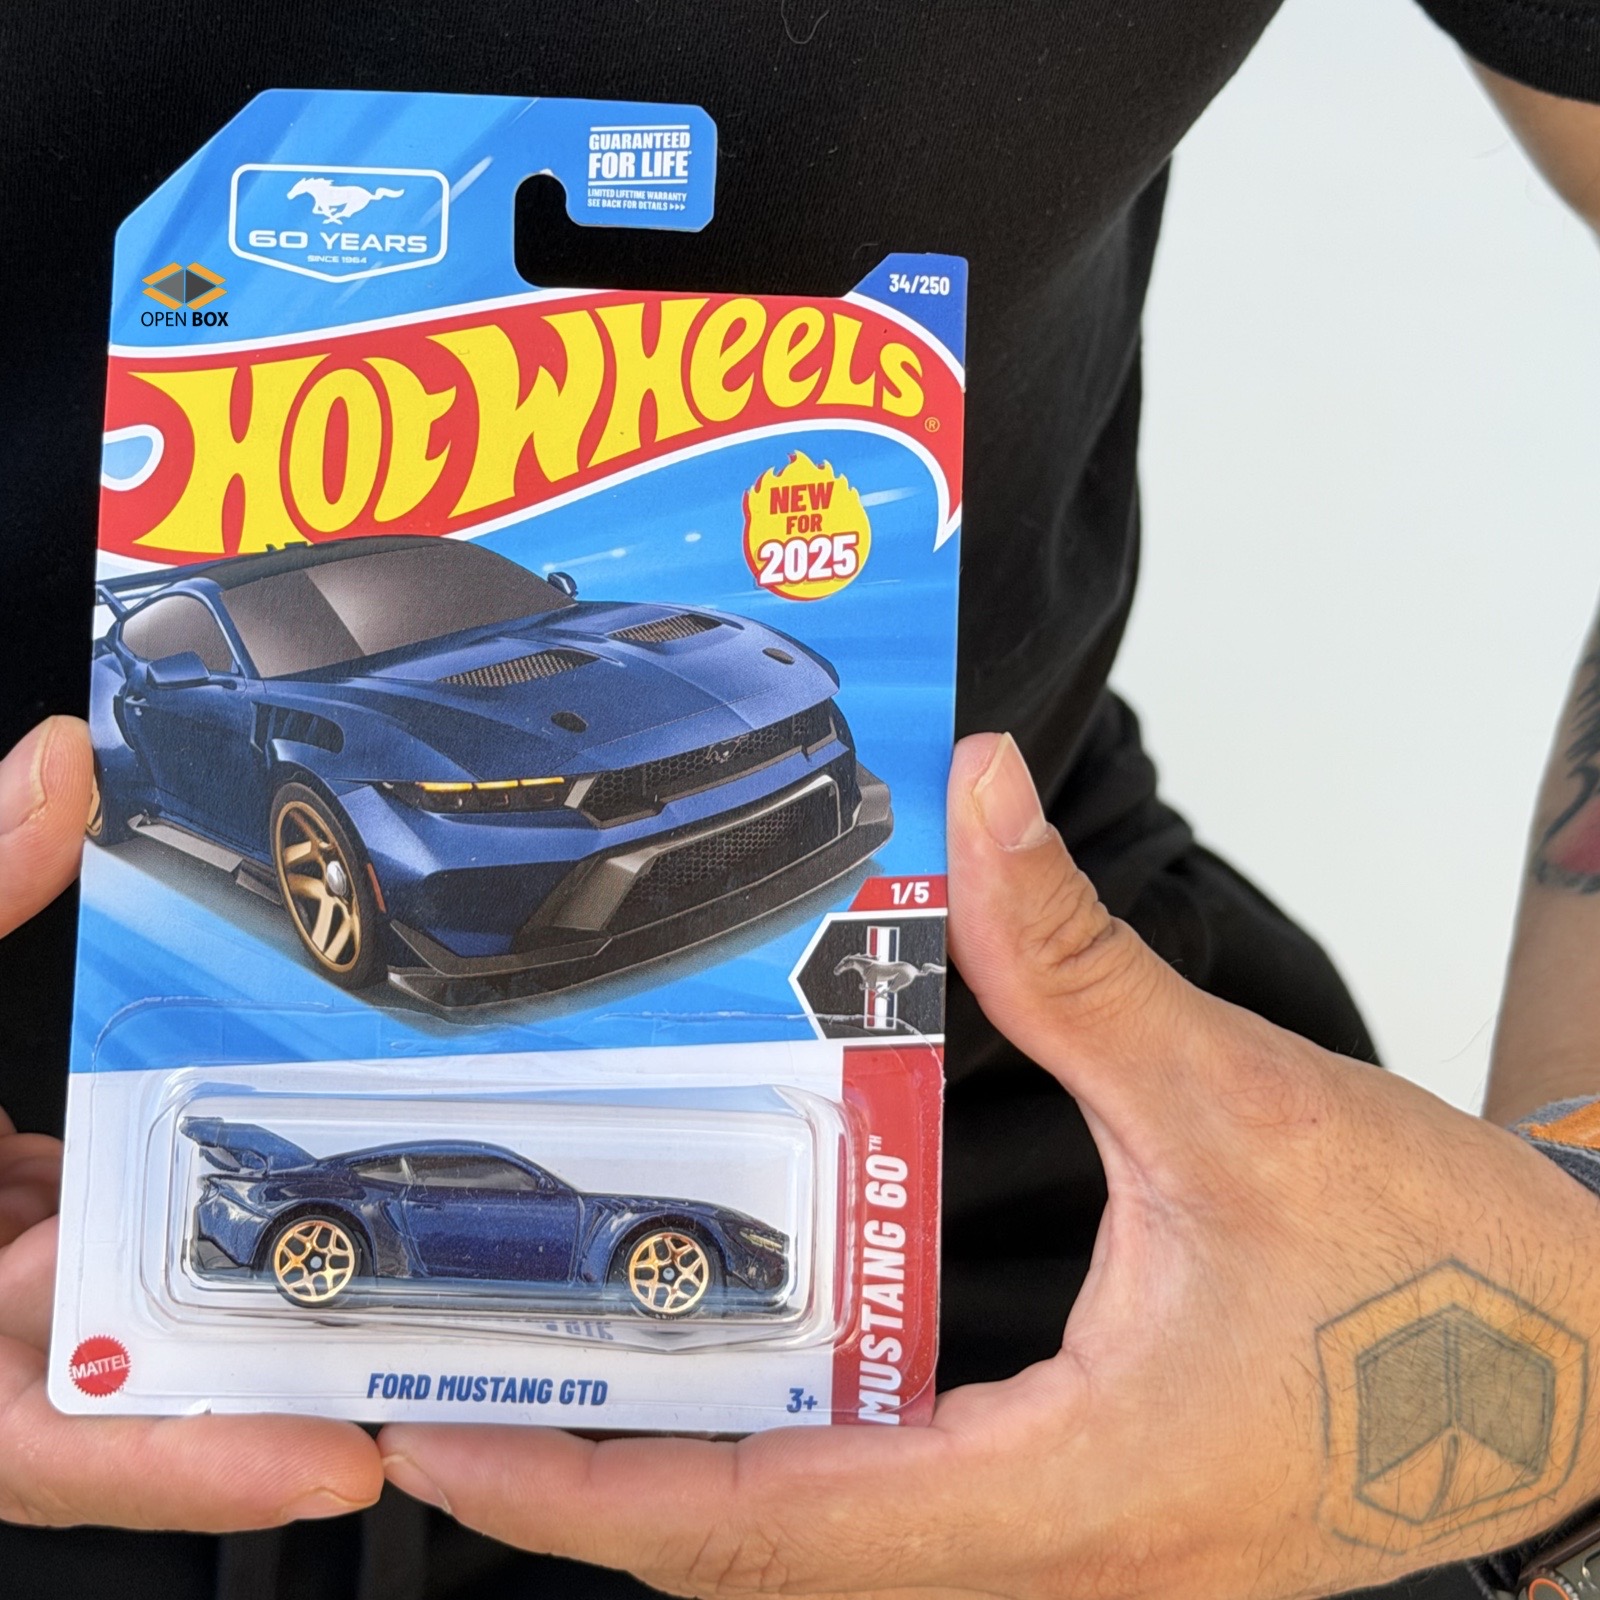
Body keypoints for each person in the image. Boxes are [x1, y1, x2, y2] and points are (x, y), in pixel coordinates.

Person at [2, 2, 1599, 1597]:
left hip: (1060, 1198)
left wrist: (1572, 1247)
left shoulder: (617, 628)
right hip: (90, 1229)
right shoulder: (216, 675)